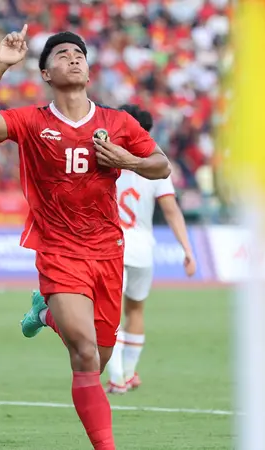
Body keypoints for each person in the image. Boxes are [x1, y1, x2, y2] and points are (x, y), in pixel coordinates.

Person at [0, 26, 171, 449]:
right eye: (61, 55)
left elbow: (161, 165)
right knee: (87, 355)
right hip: (59, 250)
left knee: (98, 356)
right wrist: (1, 65)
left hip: (108, 252)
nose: (73, 58)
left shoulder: (118, 122)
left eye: (79, 54)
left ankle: (45, 315)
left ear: (89, 72)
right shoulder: (32, 120)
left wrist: (128, 159)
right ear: (45, 74)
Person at [104, 104, 196, 394]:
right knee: (136, 310)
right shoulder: (157, 167)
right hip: (143, 249)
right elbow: (171, 212)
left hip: (112, 247)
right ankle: (129, 374)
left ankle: (117, 378)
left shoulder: (106, 160)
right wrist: (187, 250)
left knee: (110, 314)